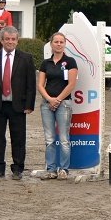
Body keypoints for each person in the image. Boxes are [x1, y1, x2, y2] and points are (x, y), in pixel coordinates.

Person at [0, 25, 36, 180]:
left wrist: (29, 105)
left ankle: (18, 168)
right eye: (7, 39)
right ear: (1, 40)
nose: (10, 42)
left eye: (13, 39)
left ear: (17, 41)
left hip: (18, 105)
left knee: (18, 138)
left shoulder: (26, 58)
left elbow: (31, 84)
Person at [37, 32, 78, 180]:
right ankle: (51, 169)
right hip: (46, 104)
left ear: (64, 44)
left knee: (64, 138)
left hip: (64, 103)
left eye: (61, 42)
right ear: (51, 44)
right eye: (56, 42)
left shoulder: (71, 62)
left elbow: (71, 84)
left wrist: (58, 100)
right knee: (49, 139)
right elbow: (40, 85)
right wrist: (49, 99)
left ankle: (64, 169)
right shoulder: (45, 63)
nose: (59, 44)